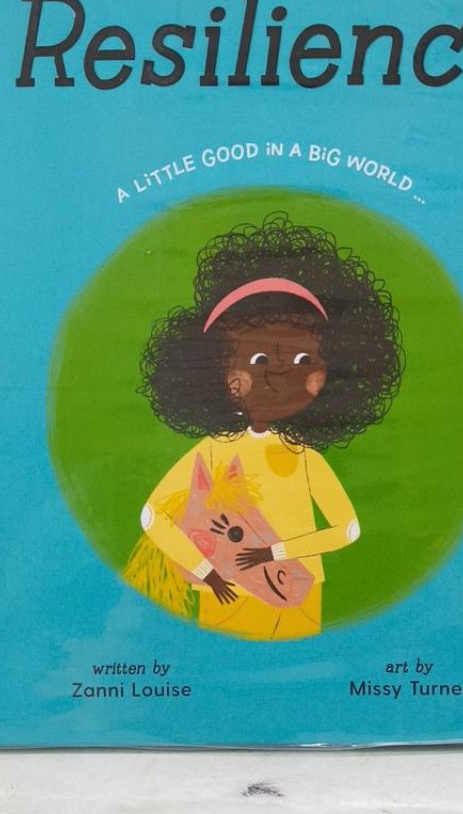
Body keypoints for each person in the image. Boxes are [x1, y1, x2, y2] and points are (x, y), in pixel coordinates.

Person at [127, 213, 403, 640]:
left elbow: (348, 529)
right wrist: (207, 571)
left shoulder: (303, 455)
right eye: (258, 360)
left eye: (302, 360)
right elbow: (152, 515)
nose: (280, 375)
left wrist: (276, 552)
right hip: (229, 594)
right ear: (218, 372)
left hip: (299, 590)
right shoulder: (214, 450)